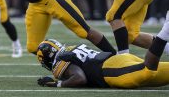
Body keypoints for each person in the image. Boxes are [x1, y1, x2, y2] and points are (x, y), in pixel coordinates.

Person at [36, 39, 169, 88]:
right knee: (157, 72)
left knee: (148, 71)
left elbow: (79, 78)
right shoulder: (71, 48)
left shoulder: (59, 61)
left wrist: (58, 84)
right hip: (118, 60)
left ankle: (163, 36)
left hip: (111, 71)